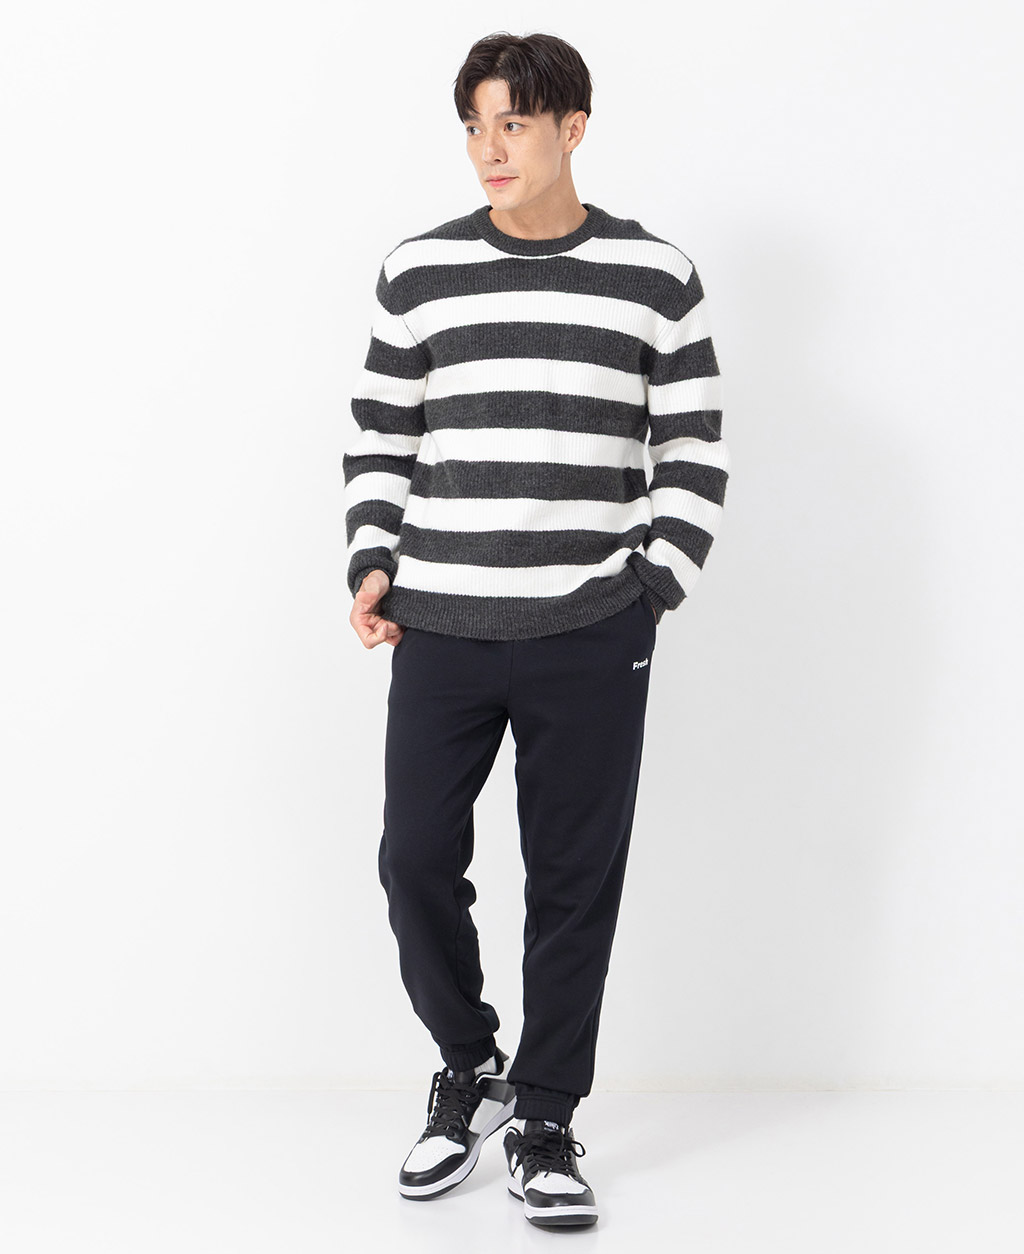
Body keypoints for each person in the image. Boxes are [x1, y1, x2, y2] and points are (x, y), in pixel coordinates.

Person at [341, 30, 729, 1229]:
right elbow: (382, 435)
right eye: (474, 125)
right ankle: (471, 1067)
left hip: (591, 627)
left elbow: (692, 446)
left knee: (572, 883)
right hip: (442, 622)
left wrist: (651, 585)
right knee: (414, 860)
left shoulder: (653, 275)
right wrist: (372, 559)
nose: (489, 148)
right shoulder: (419, 271)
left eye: (512, 122)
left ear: (572, 126)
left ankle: (548, 1116)